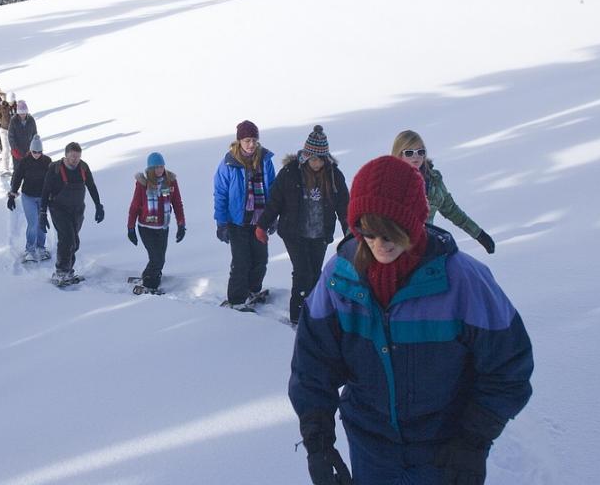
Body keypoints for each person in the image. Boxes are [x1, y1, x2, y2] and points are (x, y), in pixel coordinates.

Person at [289, 155, 533, 485]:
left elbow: (509, 366)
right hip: (371, 449)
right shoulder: (339, 279)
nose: (378, 244)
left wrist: (473, 441)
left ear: (414, 222)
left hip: (444, 452)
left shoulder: (463, 282)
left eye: (390, 232)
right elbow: (313, 362)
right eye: (367, 231)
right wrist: (318, 442)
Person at [256, 125, 348, 326]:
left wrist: (350, 232)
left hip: (320, 233)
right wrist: (262, 225)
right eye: (313, 159)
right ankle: (297, 317)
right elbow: (275, 202)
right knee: (302, 272)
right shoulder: (290, 172)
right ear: (306, 156)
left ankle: (314, 314)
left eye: (321, 159)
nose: (317, 163)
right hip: (294, 232)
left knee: (315, 274)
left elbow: (344, 206)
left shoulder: (333, 175)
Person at [392, 130, 495, 254]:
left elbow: (451, 210)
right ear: (399, 155)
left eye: (420, 151)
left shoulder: (434, 180)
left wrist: (479, 234)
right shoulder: (390, 182)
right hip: (397, 249)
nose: (416, 156)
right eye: (409, 152)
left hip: (427, 245)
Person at [213, 120, 276, 311]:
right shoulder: (228, 163)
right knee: (241, 262)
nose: (251, 144)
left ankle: (252, 290)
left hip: (259, 220)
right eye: (247, 140)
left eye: (254, 140)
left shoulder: (265, 160)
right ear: (239, 140)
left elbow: (273, 189)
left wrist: (272, 217)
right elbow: (220, 194)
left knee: (260, 260)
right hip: (236, 222)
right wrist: (221, 223)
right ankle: (236, 299)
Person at [40, 141, 104, 285]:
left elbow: (91, 186)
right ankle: (60, 272)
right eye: (72, 157)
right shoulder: (55, 168)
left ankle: (68, 271)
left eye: (78, 157)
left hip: (77, 209)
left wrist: (98, 205)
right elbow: (45, 190)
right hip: (58, 208)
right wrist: (43, 213)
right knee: (67, 239)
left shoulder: (83, 167)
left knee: (74, 242)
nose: (75, 160)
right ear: (66, 155)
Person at [126, 152, 186, 292]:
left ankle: (148, 275)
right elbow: (135, 206)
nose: (159, 170)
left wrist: (181, 224)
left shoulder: (170, 181)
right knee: (157, 259)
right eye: (156, 167)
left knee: (159, 259)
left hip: (163, 227)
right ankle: (149, 285)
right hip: (146, 227)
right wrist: (130, 228)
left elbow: (177, 203)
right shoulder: (143, 183)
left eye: (161, 166)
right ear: (150, 169)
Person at [8, 135, 53, 263]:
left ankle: (41, 248)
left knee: (41, 222)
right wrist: (12, 195)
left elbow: (53, 179)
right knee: (33, 223)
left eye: (39, 152)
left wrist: (54, 195)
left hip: (43, 197)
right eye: (34, 152)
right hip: (28, 196)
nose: (37, 154)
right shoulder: (25, 162)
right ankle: (30, 249)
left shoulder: (47, 161)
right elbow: (17, 178)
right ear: (30, 150)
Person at [7, 100, 38, 170]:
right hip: (17, 150)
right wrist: (14, 148)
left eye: (24, 113)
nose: (23, 115)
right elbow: (11, 136)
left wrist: (34, 146)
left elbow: (35, 133)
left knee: (29, 169)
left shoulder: (31, 120)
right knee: (18, 169)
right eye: (21, 113)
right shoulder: (13, 120)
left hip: (28, 149)